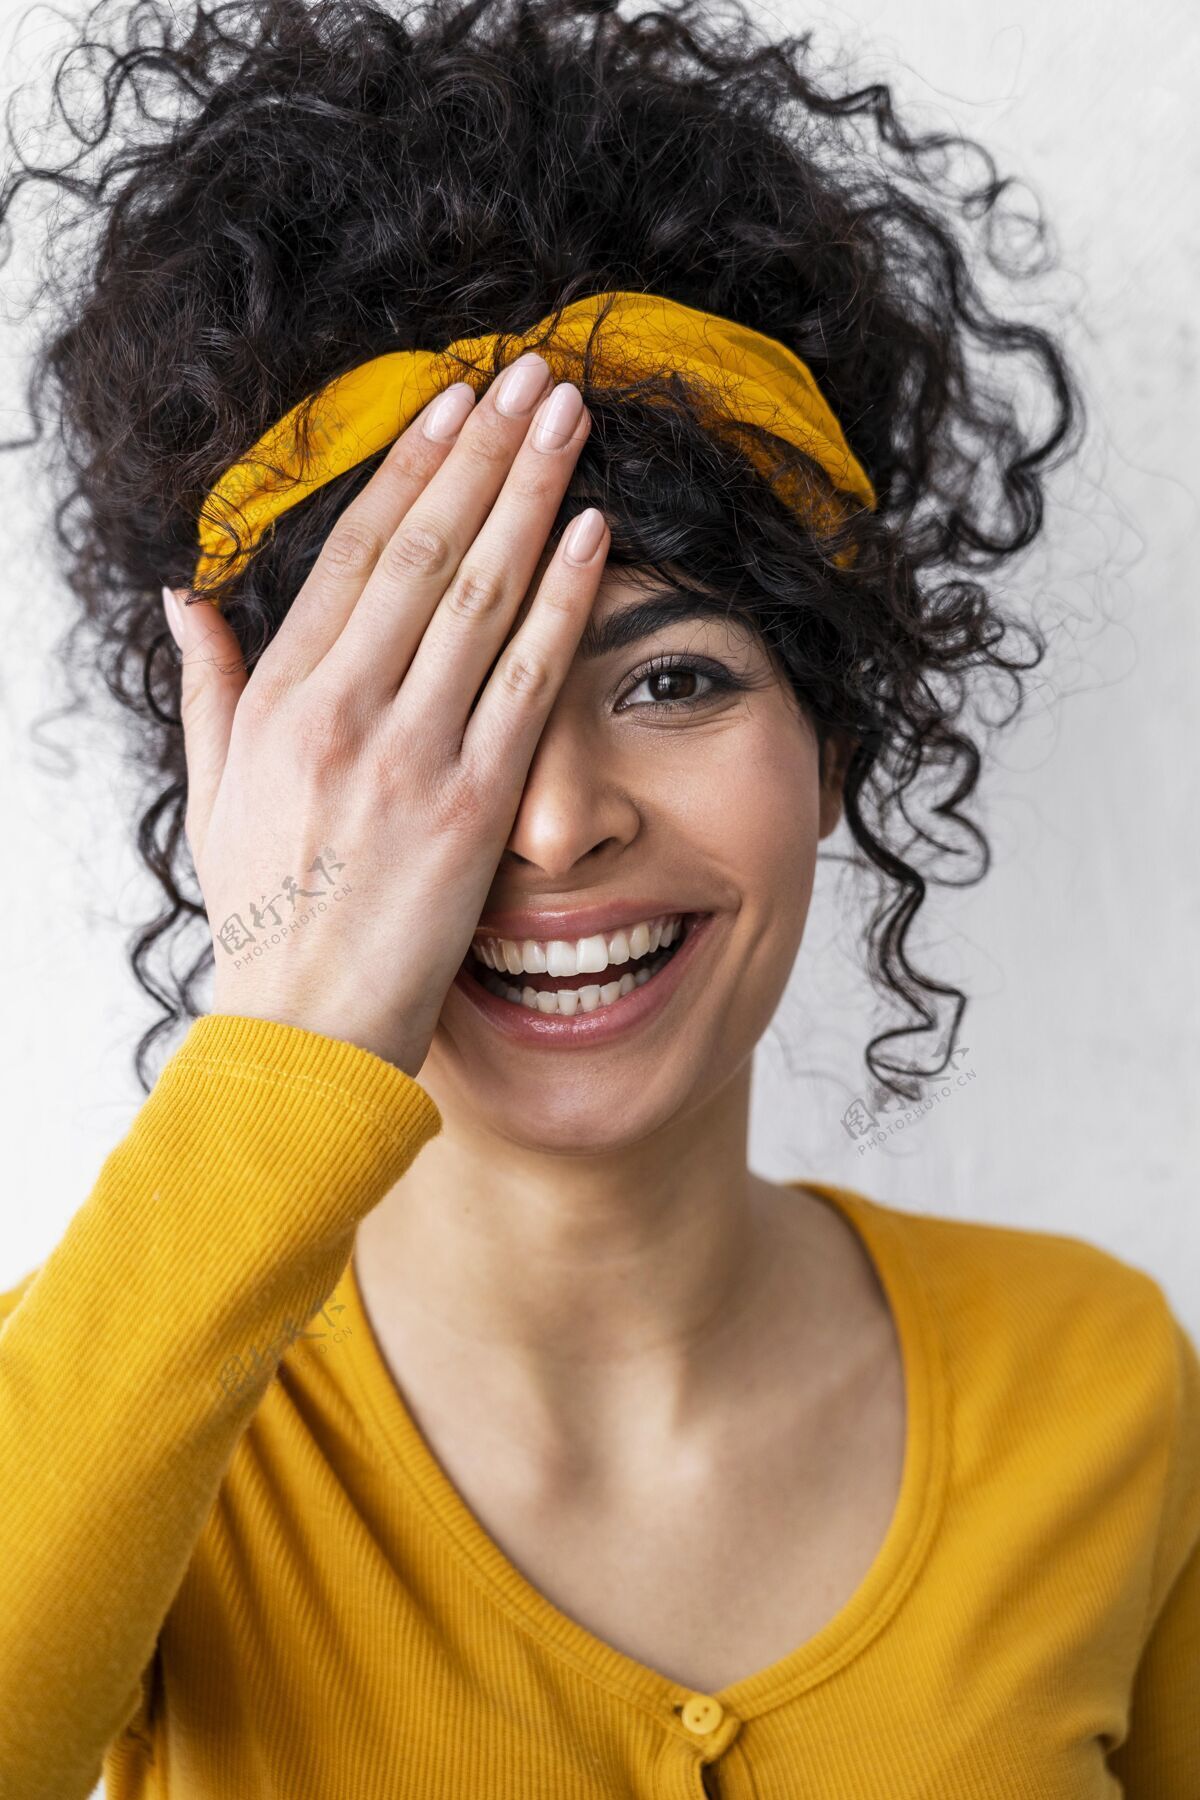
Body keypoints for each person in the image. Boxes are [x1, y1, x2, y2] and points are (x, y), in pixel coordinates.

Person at [0, 0, 1195, 1794]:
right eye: (437, 712)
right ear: (260, 783)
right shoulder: (119, 1402)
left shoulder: (1103, 1382)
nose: (554, 826)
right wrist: (286, 1016)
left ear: (836, 738)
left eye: (677, 680)